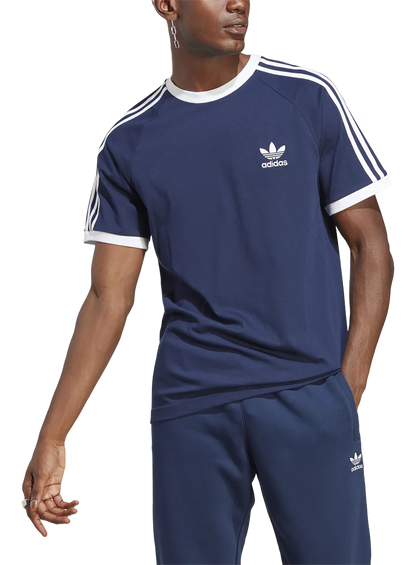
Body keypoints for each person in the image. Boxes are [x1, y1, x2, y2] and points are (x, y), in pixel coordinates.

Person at [20, 0, 396, 562]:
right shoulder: (129, 141)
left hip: (307, 393)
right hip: (190, 405)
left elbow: (371, 247)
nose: (239, 3)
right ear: (166, 4)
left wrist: (347, 389)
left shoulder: (306, 95)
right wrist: (53, 436)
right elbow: (106, 297)